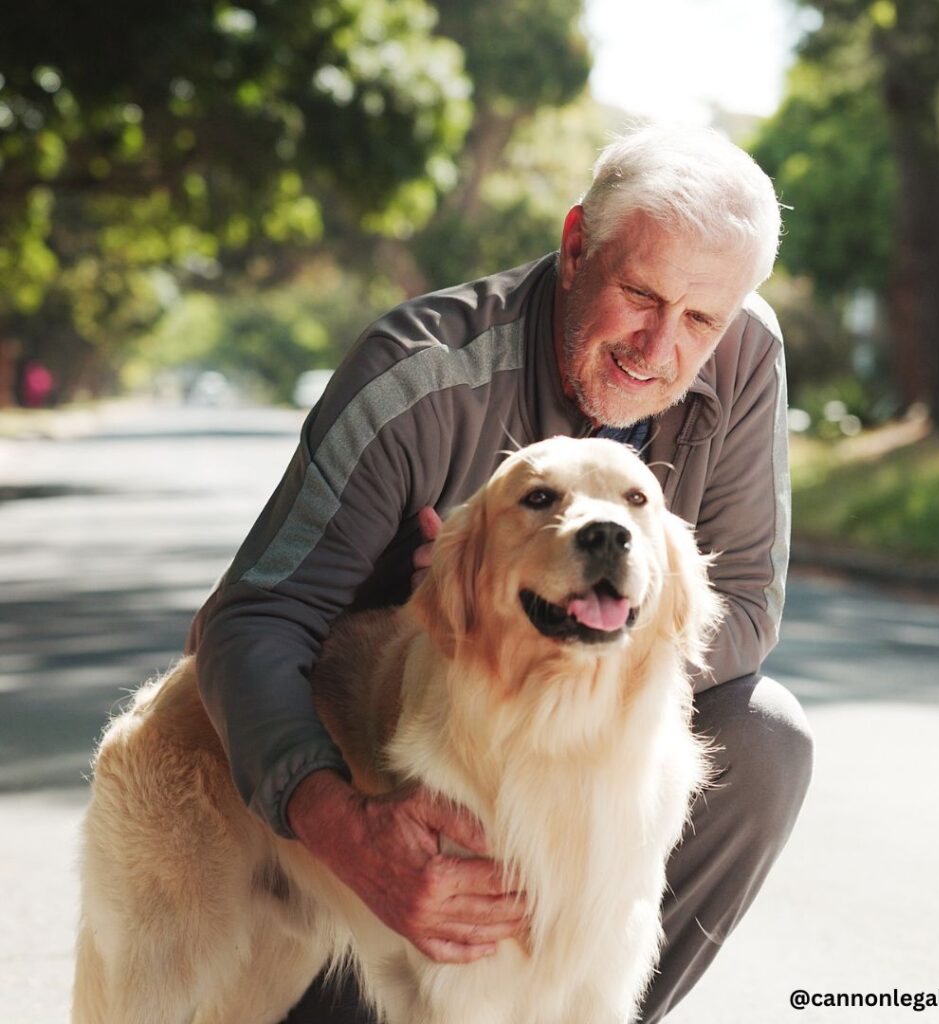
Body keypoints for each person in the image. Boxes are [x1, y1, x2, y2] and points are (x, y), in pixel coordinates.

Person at [187, 124, 814, 1022]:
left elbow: (745, 601)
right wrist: (341, 825)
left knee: (763, 737)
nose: (659, 344)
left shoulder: (747, 346)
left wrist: (588, 656)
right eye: (639, 293)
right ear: (574, 249)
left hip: (572, 761)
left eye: (701, 320)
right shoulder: (415, 378)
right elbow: (251, 620)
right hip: (386, 750)